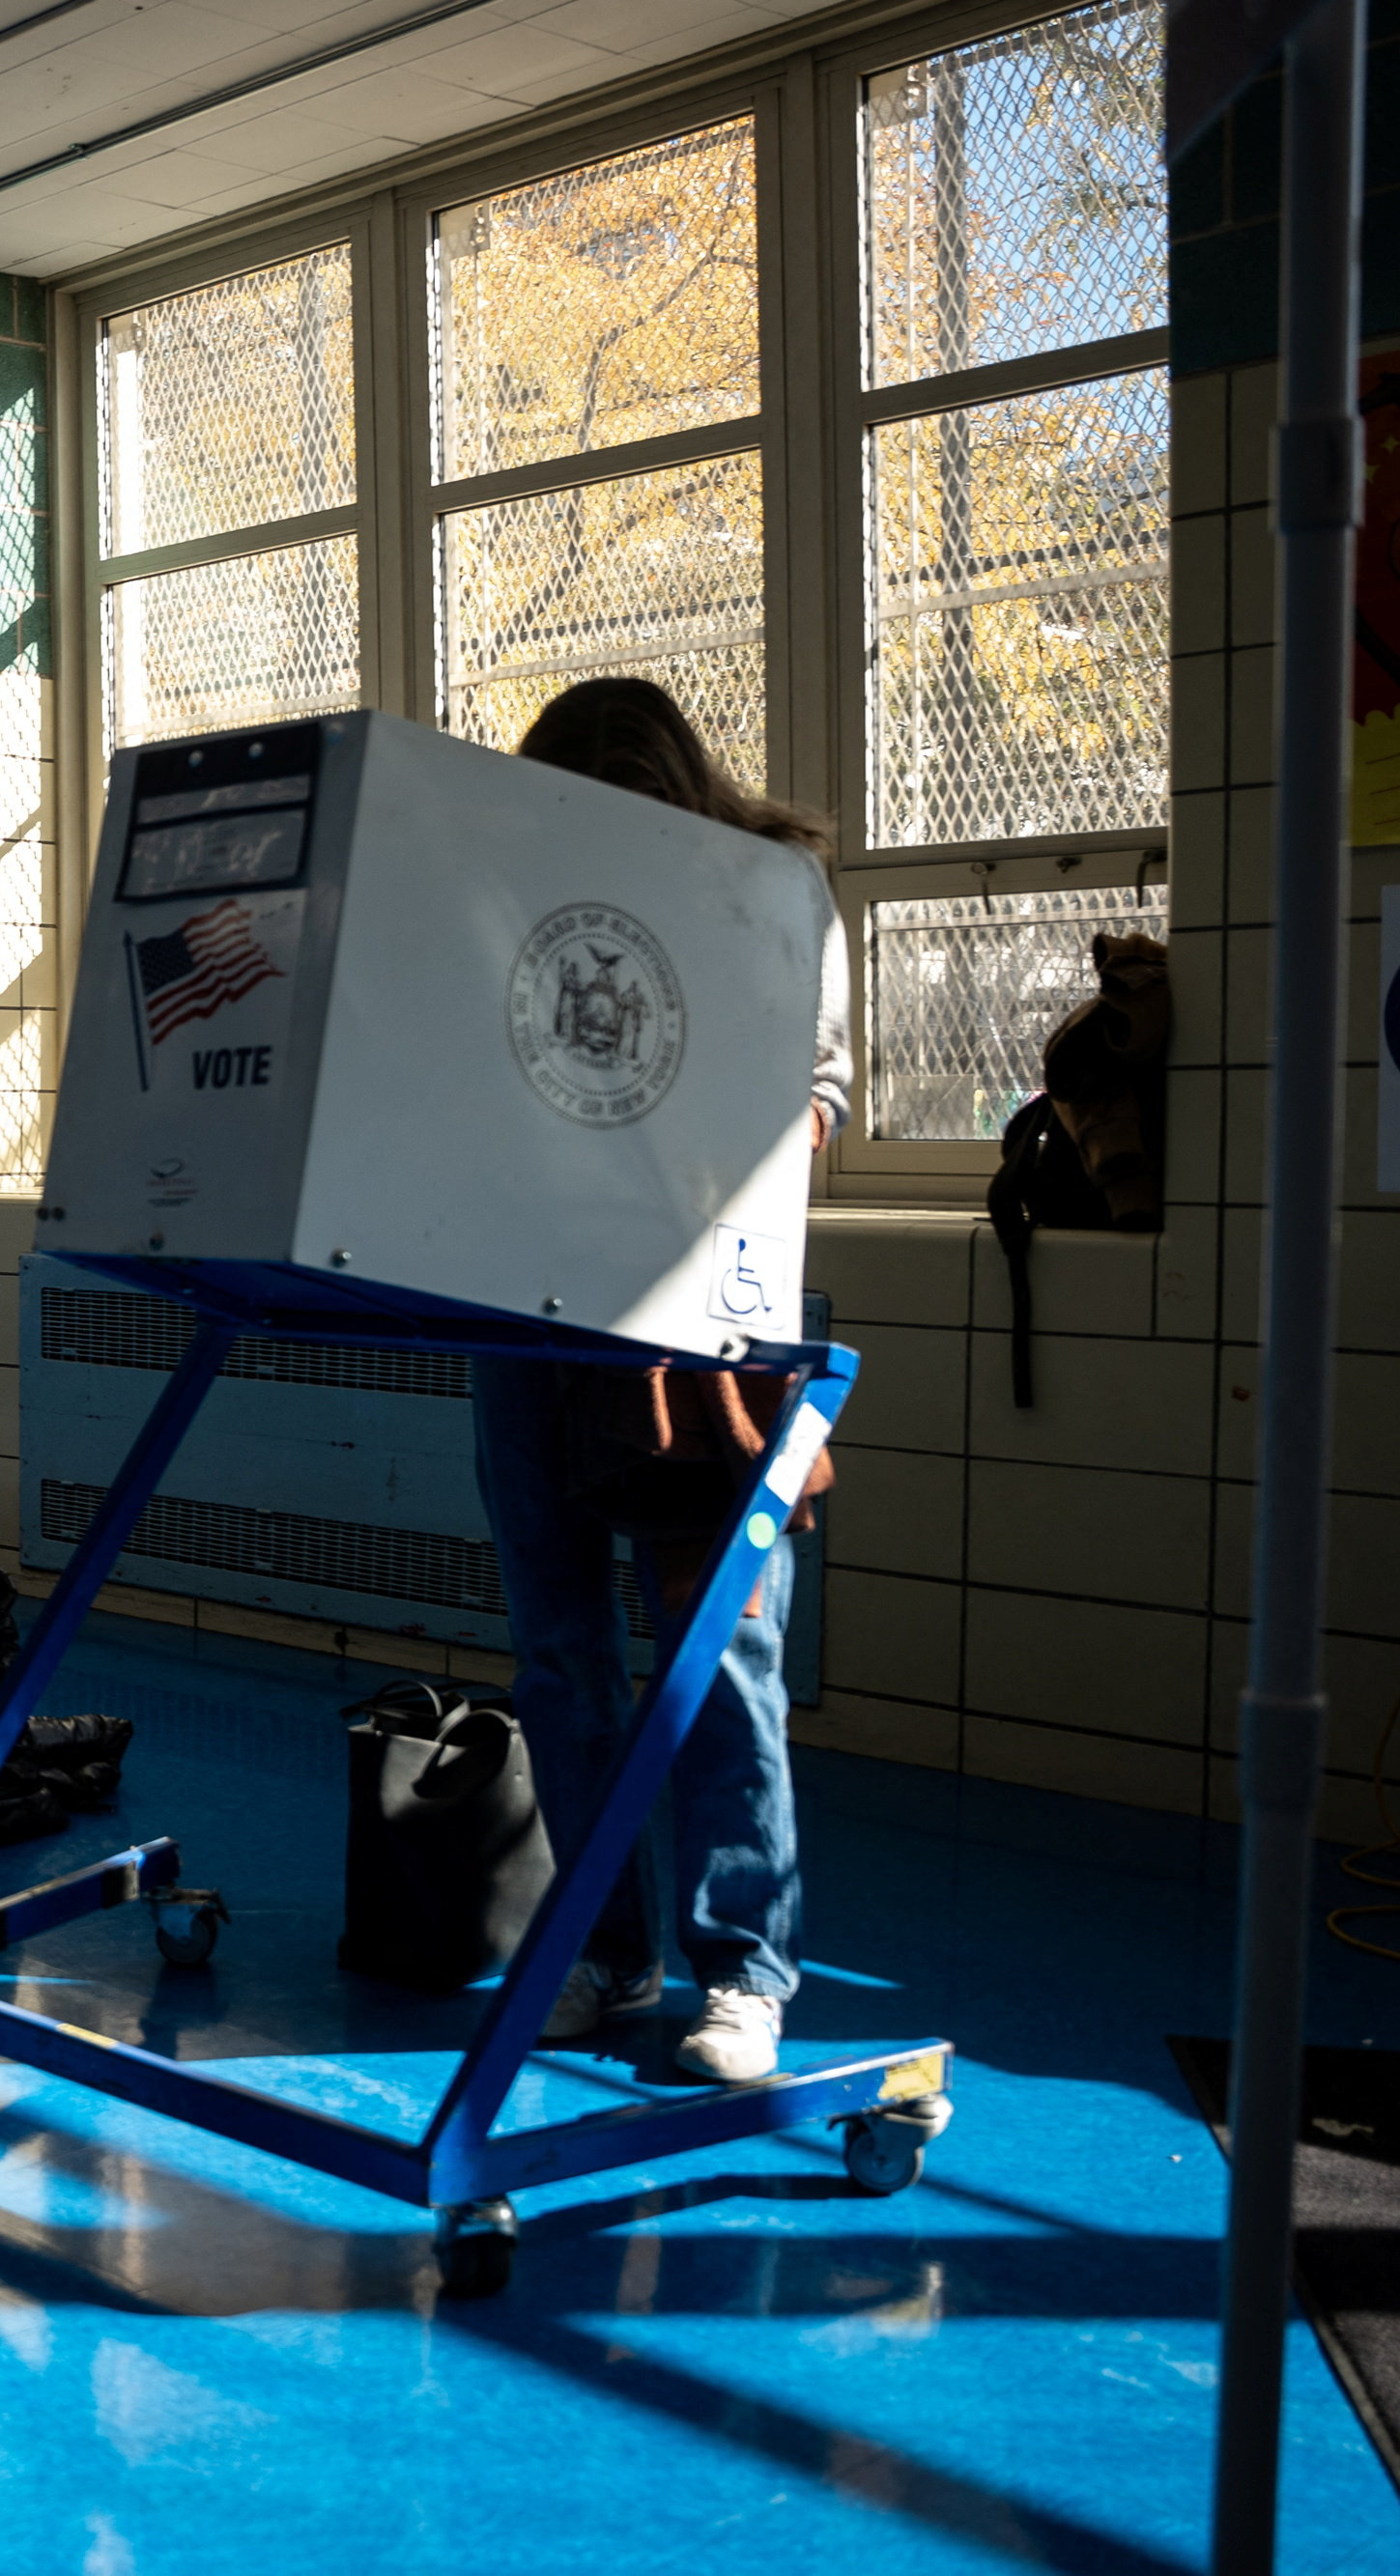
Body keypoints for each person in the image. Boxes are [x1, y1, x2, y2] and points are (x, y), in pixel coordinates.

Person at [469, 676, 850, 2085]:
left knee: (723, 1648)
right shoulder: (516, 905)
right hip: (529, 1301)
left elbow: (818, 1099)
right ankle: (598, 1941)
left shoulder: (772, 886)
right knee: (560, 1644)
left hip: (709, 1311)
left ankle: (745, 1969)